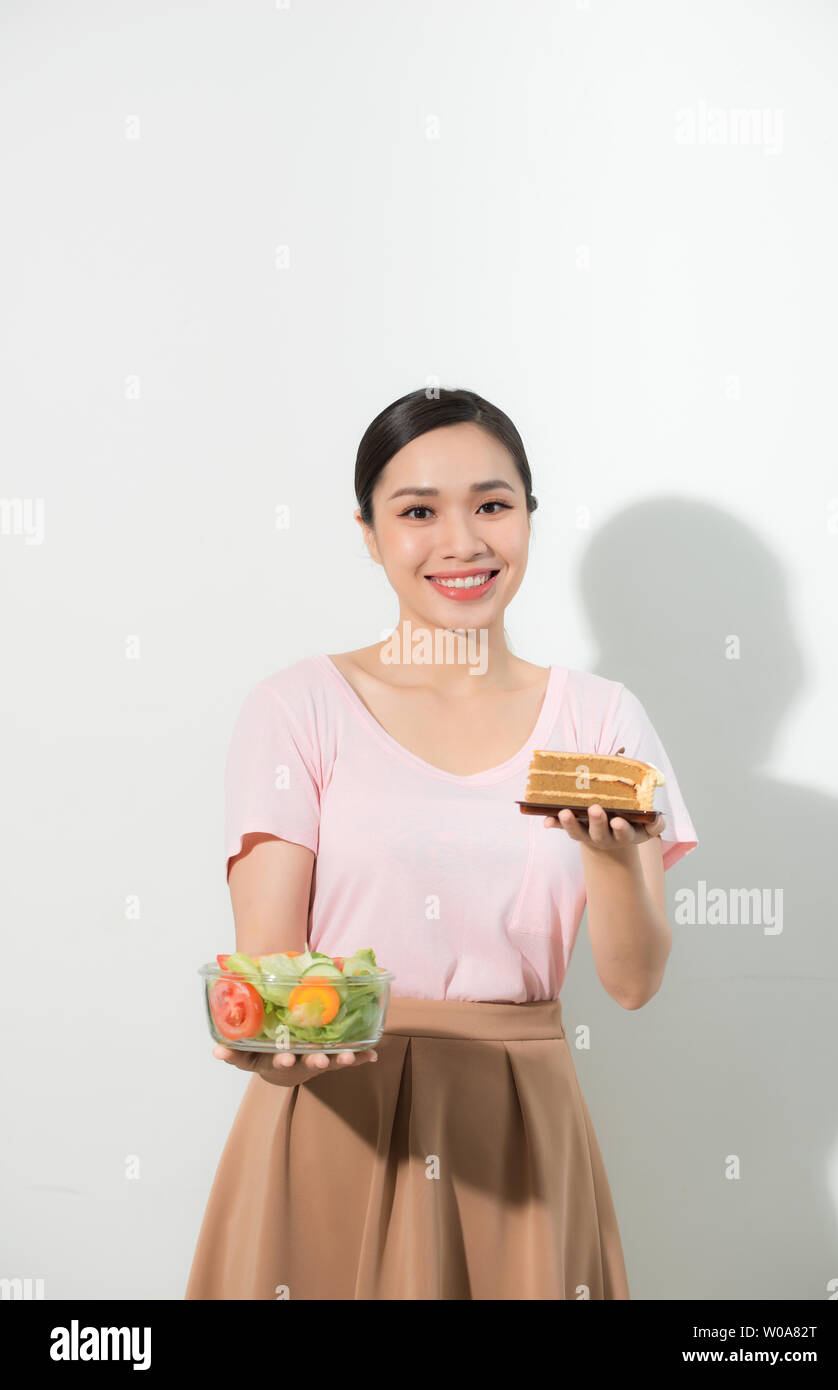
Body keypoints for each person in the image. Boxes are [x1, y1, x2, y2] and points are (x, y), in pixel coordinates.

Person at [185, 386, 699, 1300]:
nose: (461, 541)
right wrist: (265, 1045)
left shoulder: (599, 721)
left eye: (492, 506)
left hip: (521, 1128)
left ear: (529, 519)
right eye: (417, 511)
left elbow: (630, 983)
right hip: (336, 1117)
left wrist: (614, 851)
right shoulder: (296, 708)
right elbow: (267, 964)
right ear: (369, 531)